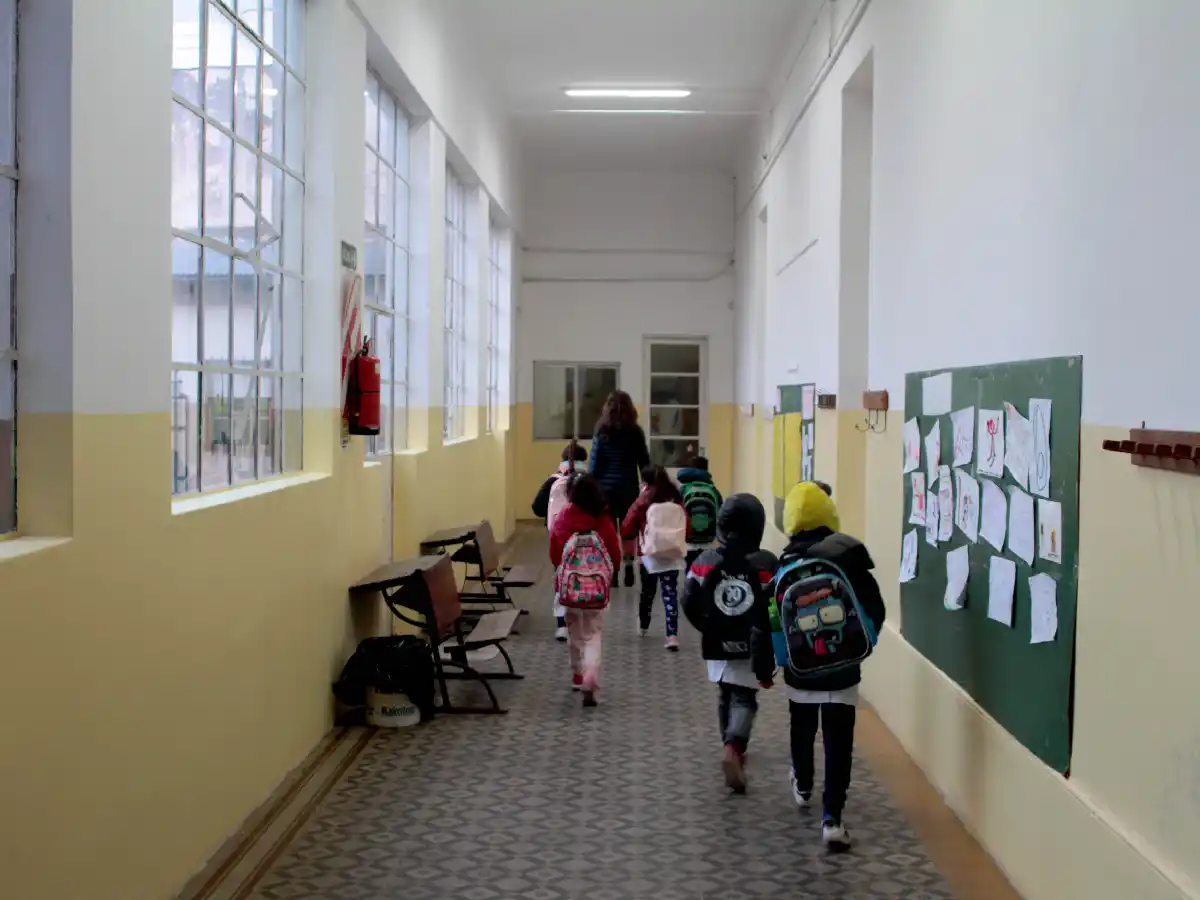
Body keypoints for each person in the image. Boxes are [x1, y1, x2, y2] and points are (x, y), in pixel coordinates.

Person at [777, 481, 886, 852]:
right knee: (839, 742)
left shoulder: (786, 564)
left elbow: (772, 621)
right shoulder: (849, 557)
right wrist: (860, 646)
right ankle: (833, 819)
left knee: (802, 727)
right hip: (843, 669)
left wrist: (774, 661)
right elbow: (875, 608)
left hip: (801, 670)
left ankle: (803, 784)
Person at [681, 493, 777, 794]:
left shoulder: (705, 560)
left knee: (726, 692)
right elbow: (777, 602)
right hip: (752, 640)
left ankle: (729, 742)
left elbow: (688, 599)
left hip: (716, 638)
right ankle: (734, 748)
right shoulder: (766, 563)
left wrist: (707, 626)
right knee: (745, 697)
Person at [549, 473, 622, 708]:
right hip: (597, 590)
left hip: (569, 589)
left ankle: (577, 675)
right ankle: (591, 675)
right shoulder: (602, 519)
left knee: (574, 634)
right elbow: (614, 553)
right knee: (593, 634)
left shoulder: (563, 518)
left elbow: (554, 554)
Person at [621, 465, 688, 650]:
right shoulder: (676, 497)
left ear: (645, 481)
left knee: (647, 592)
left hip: (648, 555)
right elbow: (687, 525)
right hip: (673, 553)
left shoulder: (643, 499)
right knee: (670, 593)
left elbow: (626, 528)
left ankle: (644, 625)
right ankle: (672, 635)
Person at [588, 390, 650, 589]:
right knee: (628, 531)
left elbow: (594, 464)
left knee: (609, 533)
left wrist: (591, 486)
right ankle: (629, 566)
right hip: (628, 489)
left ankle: (613, 571)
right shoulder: (636, 432)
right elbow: (644, 462)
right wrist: (649, 484)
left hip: (605, 491)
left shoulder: (601, 430)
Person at [532, 441, 590, 642]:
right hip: (584, 540)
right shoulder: (589, 481)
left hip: (559, 539)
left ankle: (561, 625)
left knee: (560, 578)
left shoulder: (553, 481)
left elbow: (537, 507)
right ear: (584, 460)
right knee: (583, 578)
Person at [677, 456, 723, 569]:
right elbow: (721, 512)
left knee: (690, 568)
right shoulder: (713, 490)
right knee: (707, 569)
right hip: (709, 540)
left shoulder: (683, 489)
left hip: (688, 541)